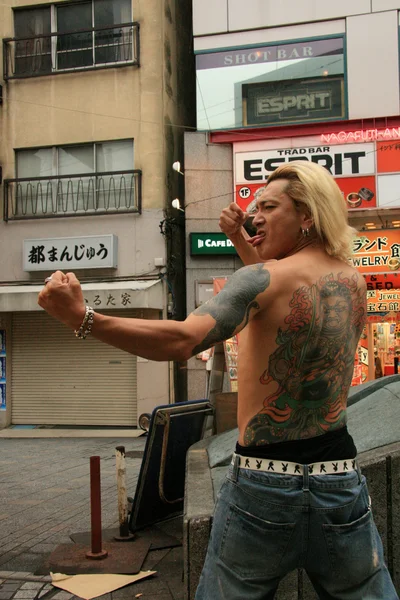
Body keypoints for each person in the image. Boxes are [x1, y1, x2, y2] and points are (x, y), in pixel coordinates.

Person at [38, 161, 398, 600]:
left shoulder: (263, 279)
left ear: (307, 214)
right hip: (339, 480)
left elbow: (182, 340)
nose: (252, 216)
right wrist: (242, 241)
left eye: (268, 206)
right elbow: (276, 288)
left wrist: (83, 318)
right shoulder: (351, 280)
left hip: (264, 487)